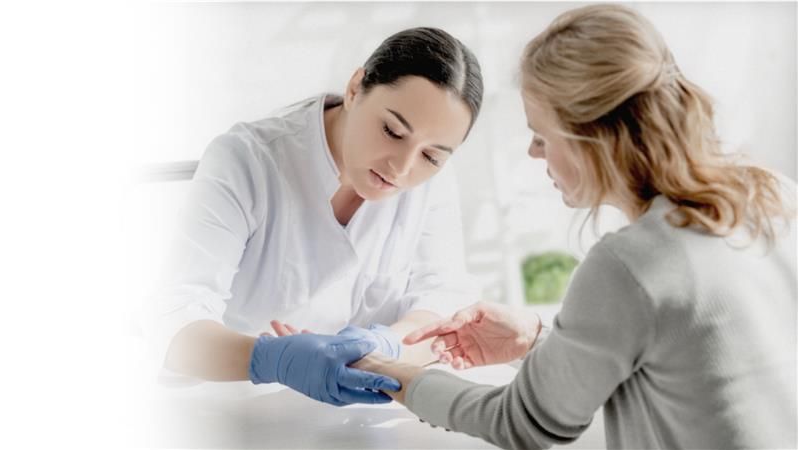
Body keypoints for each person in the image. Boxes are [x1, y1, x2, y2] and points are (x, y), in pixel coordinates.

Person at [354, 4, 797, 449]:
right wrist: (536, 339)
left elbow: (523, 423)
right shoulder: (774, 196)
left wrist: (391, 374)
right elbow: (680, 355)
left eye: (542, 136)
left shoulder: (631, 265)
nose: (533, 153)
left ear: (591, 138)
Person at [142, 27, 484, 406]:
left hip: (364, 415)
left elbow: (445, 298)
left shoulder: (432, 182)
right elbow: (171, 319)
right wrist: (269, 360)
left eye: (431, 157)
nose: (403, 167)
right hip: (231, 409)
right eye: (392, 130)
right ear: (355, 88)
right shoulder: (246, 161)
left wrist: (386, 343)